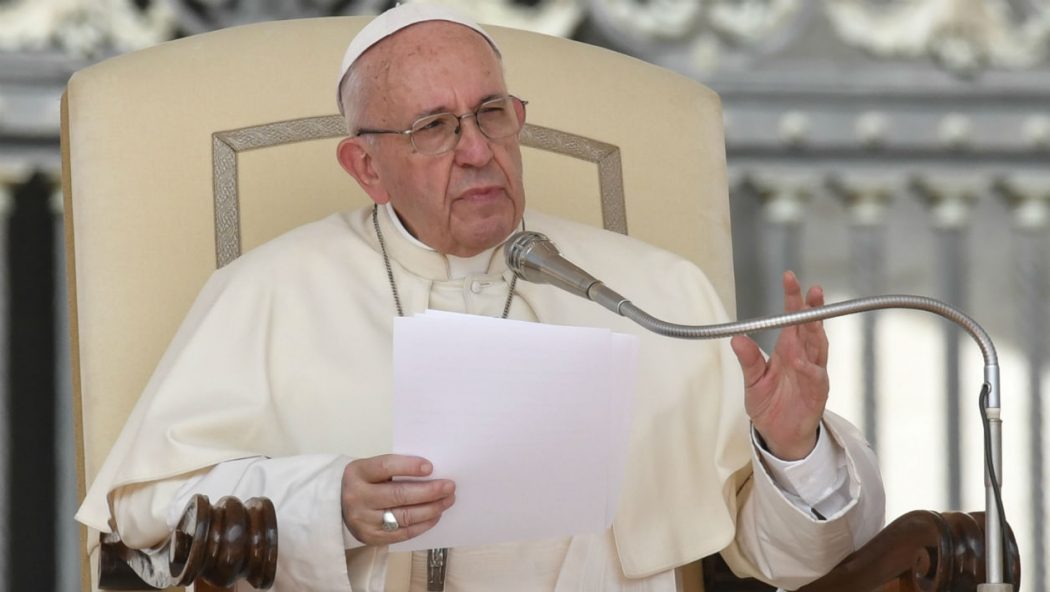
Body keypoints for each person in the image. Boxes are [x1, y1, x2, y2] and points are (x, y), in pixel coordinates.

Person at [77, 4, 885, 591]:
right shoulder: (271, 292)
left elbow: (789, 562)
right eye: (432, 126)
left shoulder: (658, 291)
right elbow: (145, 515)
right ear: (365, 167)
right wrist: (330, 503)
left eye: (491, 114)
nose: (476, 151)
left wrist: (793, 448)